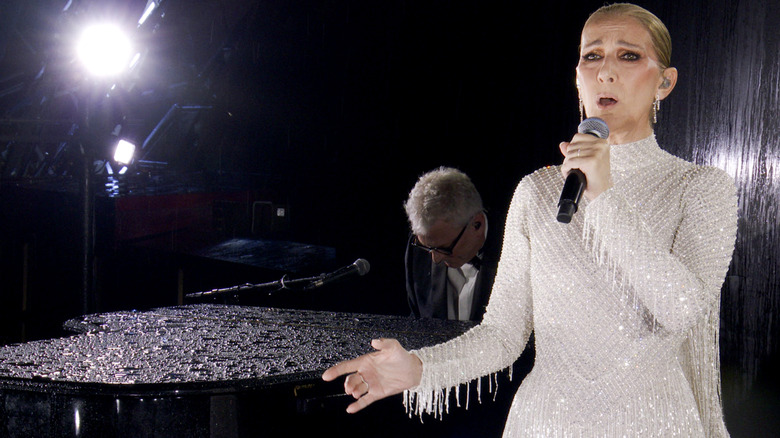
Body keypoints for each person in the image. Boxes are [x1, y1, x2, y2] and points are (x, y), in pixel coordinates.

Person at [323, 3, 737, 437]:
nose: (605, 72)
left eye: (628, 56)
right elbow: (503, 334)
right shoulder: (537, 191)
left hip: (654, 425)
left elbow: (683, 311)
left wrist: (604, 196)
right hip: (542, 423)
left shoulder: (700, 187)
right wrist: (420, 369)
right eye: (592, 55)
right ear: (577, 76)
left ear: (664, 82)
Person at [403, 167, 500, 321]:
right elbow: (418, 322)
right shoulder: (419, 249)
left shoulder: (517, 252)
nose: (435, 259)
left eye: (444, 248)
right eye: (428, 248)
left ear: (477, 224)